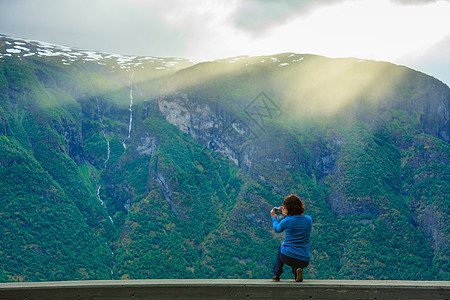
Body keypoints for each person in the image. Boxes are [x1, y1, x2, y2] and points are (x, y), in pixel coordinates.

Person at [270, 194, 312, 282]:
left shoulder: (287, 220)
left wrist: (274, 217)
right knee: (295, 250)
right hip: (304, 259)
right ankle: (297, 271)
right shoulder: (308, 219)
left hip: (288, 257)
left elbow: (277, 229)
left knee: (282, 246)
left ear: (288, 208)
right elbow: (296, 221)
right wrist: (288, 214)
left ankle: (276, 274)